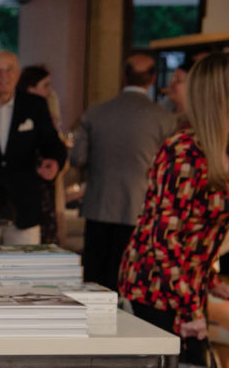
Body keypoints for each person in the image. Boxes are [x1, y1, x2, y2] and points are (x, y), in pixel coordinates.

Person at [118, 52, 229, 368]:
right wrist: (189, 309)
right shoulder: (182, 151)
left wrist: (208, 282)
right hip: (156, 288)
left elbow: (201, 236)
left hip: (186, 287)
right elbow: (167, 239)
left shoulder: (219, 148)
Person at [71, 53, 176, 290]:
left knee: (93, 281)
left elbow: (77, 158)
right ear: (152, 79)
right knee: (126, 282)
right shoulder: (164, 119)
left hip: (99, 205)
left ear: (122, 76)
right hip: (139, 209)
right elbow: (168, 169)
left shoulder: (95, 113)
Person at [0, 50, 67, 245]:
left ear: (18, 74)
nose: (2, 76)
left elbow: (53, 144)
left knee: (24, 270)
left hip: (25, 206)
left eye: (8, 70)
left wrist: (54, 161)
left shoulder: (34, 105)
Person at [17, 64, 63, 244]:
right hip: (28, 187)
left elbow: (53, 145)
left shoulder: (45, 109)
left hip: (43, 185)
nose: (50, 91)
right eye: (46, 86)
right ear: (31, 87)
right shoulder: (25, 110)